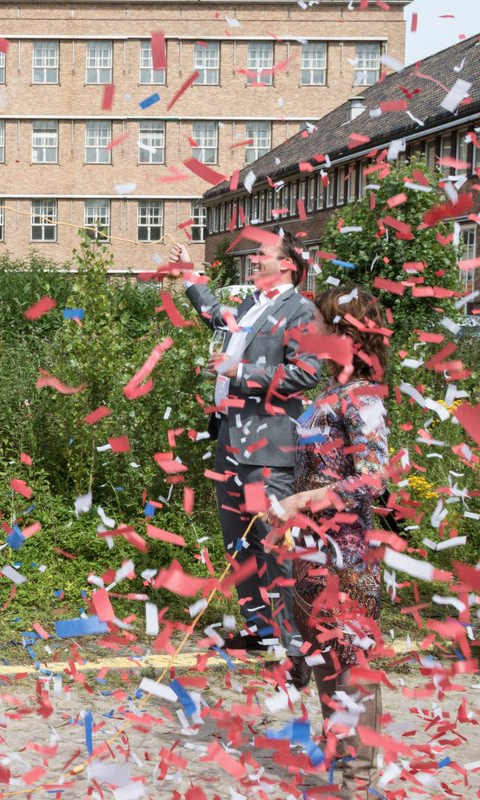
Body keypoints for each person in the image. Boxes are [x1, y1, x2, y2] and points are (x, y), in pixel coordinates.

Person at [173, 236, 321, 689]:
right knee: (238, 543)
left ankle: (294, 649)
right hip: (229, 441)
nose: (254, 260)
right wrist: (190, 276)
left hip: (267, 450)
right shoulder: (252, 304)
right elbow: (216, 316)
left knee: (273, 546)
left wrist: (241, 372)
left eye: (264, 255)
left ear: (289, 266)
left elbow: (306, 373)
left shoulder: (301, 311)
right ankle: (261, 630)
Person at [263, 286, 389, 799]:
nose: (309, 332)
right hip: (312, 553)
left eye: (318, 324)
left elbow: (372, 478)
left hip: (347, 556)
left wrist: (301, 500)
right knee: (324, 660)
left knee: (352, 664)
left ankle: (361, 783)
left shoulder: (363, 397)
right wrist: (288, 519)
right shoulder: (329, 392)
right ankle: (342, 772)